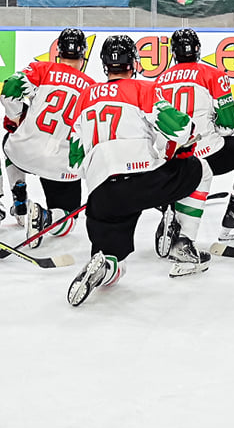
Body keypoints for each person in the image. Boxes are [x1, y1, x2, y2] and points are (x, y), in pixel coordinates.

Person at [62, 35, 211, 306]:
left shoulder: (85, 96)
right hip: (143, 180)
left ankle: (105, 266)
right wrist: (189, 138)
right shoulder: (143, 88)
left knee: (115, 260)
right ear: (133, 62)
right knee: (199, 170)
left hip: (102, 194)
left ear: (105, 65)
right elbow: (179, 128)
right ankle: (183, 245)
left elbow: (74, 155)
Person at [156, 27, 234, 246]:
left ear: (173, 53)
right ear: (198, 50)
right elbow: (228, 123)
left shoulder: (158, 81)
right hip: (207, 153)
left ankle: (171, 210)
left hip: (171, 158)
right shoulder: (213, 74)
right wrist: (214, 131)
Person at [0, 27, 97, 233]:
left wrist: (14, 118)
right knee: (67, 220)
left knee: (11, 139)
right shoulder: (91, 88)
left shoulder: (42, 69)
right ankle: (45, 217)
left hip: (24, 152)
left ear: (58, 52)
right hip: (60, 166)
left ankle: (19, 194)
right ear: (83, 55)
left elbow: (10, 89)